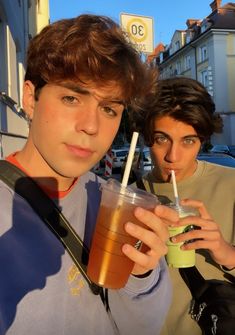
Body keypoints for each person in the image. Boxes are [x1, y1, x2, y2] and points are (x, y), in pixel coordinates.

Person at [0, 15, 179, 335]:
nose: (91, 126)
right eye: (71, 98)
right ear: (30, 98)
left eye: (109, 108)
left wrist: (141, 276)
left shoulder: (112, 201)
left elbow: (141, 329)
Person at [132, 76, 235, 335]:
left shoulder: (231, 185)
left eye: (188, 141)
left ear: (203, 140)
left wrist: (226, 252)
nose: (172, 157)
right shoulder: (130, 198)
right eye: (161, 139)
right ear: (147, 138)